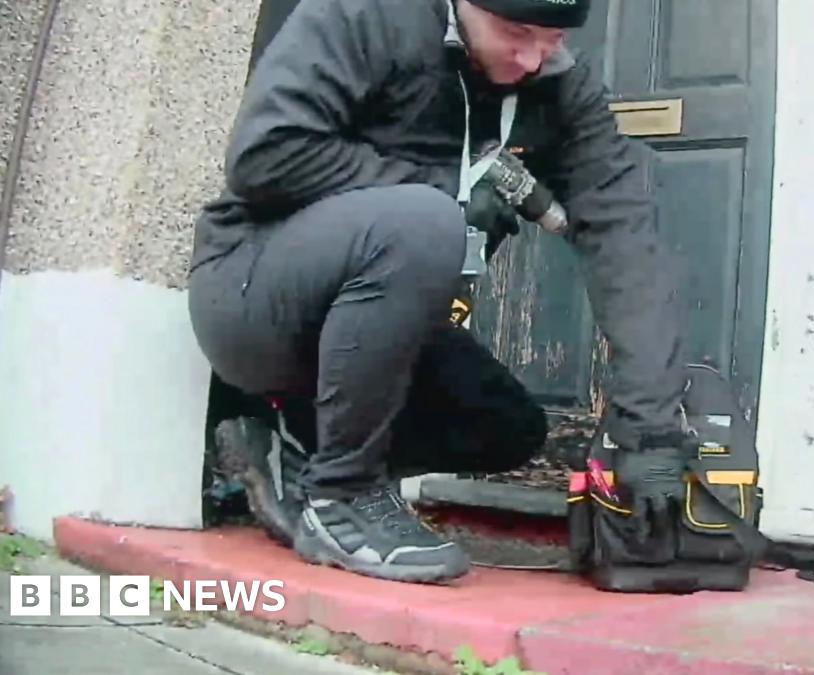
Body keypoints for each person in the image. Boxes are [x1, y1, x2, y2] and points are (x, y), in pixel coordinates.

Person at [187, 0, 689, 584]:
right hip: (251, 292)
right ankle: (342, 495)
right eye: (516, 33)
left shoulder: (557, 86)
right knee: (423, 221)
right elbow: (264, 153)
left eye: (551, 39)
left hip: (376, 333)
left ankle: (294, 454)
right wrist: (443, 192)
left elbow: (623, 236)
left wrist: (651, 428)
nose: (533, 59)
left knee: (506, 427)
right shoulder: (368, 16)